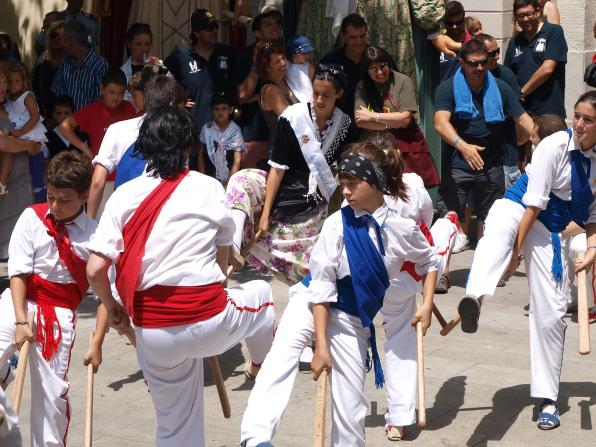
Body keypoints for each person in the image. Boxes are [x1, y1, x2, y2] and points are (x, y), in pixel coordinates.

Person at [86, 105, 275, 447]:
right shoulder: (208, 188)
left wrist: (111, 305)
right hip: (207, 317)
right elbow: (221, 265)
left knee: (175, 428)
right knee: (263, 293)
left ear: (141, 148)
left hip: (152, 332)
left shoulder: (123, 195)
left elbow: (96, 269)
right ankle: (260, 364)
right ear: (189, 146)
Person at [240, 141, 437, 447]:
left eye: (352, 184)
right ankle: (255, 438)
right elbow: (321, 286)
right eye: (343, 184)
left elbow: (429, 260)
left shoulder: (402, 229)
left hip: (353, 317)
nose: (345, 192)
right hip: (312, 302)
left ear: (375, 183)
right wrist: (321, 345)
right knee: (280, 359)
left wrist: (425, 304)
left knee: (350, 403)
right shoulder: (337, 224)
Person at [459, 91, 596, 430]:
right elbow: (532, 206)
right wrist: (514, 257)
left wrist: (591, 251)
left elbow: (593, 218)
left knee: (550, 315)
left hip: (552, 230)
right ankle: (474, 297)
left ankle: (548, 398)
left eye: (588, 119)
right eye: (576, 115)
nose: (578, 124)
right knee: (496, 234)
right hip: (521, 207)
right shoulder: (554, 146)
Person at [0, 150, 108, 445]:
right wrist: (21, 320)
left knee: (51, 399)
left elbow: (104, 300)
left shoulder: (96, 237)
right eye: (50, 197)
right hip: (17, 303)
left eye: (64, 199)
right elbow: (18, 273)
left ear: (85, 195)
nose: (55, 206)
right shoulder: (31, 217)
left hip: (59, 316)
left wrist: (97, 343)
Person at [227, 64, 356, 283]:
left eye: (327, 95)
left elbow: (345, 169)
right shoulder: (292, 118)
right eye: (316, 93)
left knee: (306, 266)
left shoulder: (345, 125)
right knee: (241, 180)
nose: (320, 100)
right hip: (280, 187)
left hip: (311, 200)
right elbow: (277, 168)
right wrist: (265, 214)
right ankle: (232, 246)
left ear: (339, 94)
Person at [434, 38, 534, 240]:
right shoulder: (448, 88)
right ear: (461, 62)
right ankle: (443, 272)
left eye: (483, 62)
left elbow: (524, 119)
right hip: (458, 163)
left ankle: (484, 266)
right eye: (473, 63)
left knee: (489, 219)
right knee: (449, 221)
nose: (479, 68)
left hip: (492, 163)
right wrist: (463, 147)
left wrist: (545, 143)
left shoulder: (500, 87)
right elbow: (440, 123)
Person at [86, 74, 186, 219]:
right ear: (172, 105)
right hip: (160, 217)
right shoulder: (178, 135)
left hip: (123, 216)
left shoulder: (117, 129)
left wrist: (89, 224)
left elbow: (97, 181)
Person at [58, 67, 137, 215]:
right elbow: (64, 126)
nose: (116, 97)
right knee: (101, 222)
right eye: (112, 92)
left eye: (120, 93)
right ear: (102, 89)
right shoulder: (93, 110)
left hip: (126, 175)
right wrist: (85, 148)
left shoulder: (129, 108)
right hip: (102, 178)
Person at [164, 8, 237, 134]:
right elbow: (161, 88)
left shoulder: (229, 54)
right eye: (209, 29)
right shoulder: (180, 58)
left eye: (215, 27)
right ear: (196, 33)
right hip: (193, 133)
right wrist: (177, 104)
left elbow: (240, 89)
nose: (214, 31)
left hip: (225, 133)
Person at [0, 62, 41, 259]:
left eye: (5, 82)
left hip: (21, 181)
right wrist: (26, 145)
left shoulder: (9, 107)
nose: (3, 86)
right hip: (3, 184)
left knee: (19, 244)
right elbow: (4, 143)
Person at [505, 0, 568, 118]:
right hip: (523, 113)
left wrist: (522, 93)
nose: (525, 19)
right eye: (520, 16)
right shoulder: (514, 41)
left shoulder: (553, 32)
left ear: (538, 13)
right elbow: (508, 74)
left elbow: (547, 69)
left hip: (549, 112)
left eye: (529, 14)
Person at [477, 33, 524, 189]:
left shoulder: (506, 75)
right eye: (492, 54)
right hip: (479, 152)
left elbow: (515, 109)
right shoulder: (466, 78)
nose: (497, 56)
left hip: (505, 149)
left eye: (497, 51)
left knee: (509, 195)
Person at [0, 62, 48, 198]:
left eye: (17, 81)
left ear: (24, 81)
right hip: (21, 138)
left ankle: (40, 194)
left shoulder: (27, 96)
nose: (11, 84)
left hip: (32, 135)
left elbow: (35, 116)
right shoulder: (7, 100)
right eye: (9, 81)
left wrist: (21, 133)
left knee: (37, 169)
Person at [319, 14, 371, 120]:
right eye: (353, 37)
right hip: (339, 122)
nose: (359, 42)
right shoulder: (330, 61)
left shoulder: (377, 58)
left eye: (362, 36)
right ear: (344, 36)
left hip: (372, 120)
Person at [51, 19, 108, 111]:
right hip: (68, 123)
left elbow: (101, 101)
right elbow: (59, 97)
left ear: (71, 41)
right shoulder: (64, 63)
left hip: (90, 122)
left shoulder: (99, 64)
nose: (59, 44)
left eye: (61, 39)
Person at [198, 92, 245, 184]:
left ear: (231, 110)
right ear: (212, 110)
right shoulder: (206, 129)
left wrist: (228, 184)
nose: (220, 112)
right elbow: (200, 156)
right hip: (209, 177)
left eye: (224, 109)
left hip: (230, 177)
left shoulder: (235, 130)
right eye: (216, 109)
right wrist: (203, 180)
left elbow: (237, 160)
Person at [32, 20, 65, 121]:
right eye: (53, 35)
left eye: (61, 37)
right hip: (45, 114)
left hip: (68, 114)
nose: (56, 39)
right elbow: (36, 87)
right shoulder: (43, 59)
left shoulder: (73, 60)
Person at [45, 95, 89, 159]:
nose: (63, 116)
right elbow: (44, 161)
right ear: (53, 114)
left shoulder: (83, 135)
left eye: (67, 113)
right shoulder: (47, 137)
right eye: (59, 113)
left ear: (73, 113)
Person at [121, 22, 153, 101]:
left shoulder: (158, 66)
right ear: (129, 44)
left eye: (147, 44)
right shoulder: (122, 72)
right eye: (138, 44)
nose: (143, 49)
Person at [285, 35, 315, 104]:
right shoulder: (286, 65)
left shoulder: (308, 67)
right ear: (293, 54)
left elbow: (316, 83)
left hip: (310, 100)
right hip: (295, 101)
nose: (307, 56)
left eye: (309, 53)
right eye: (304, 53)